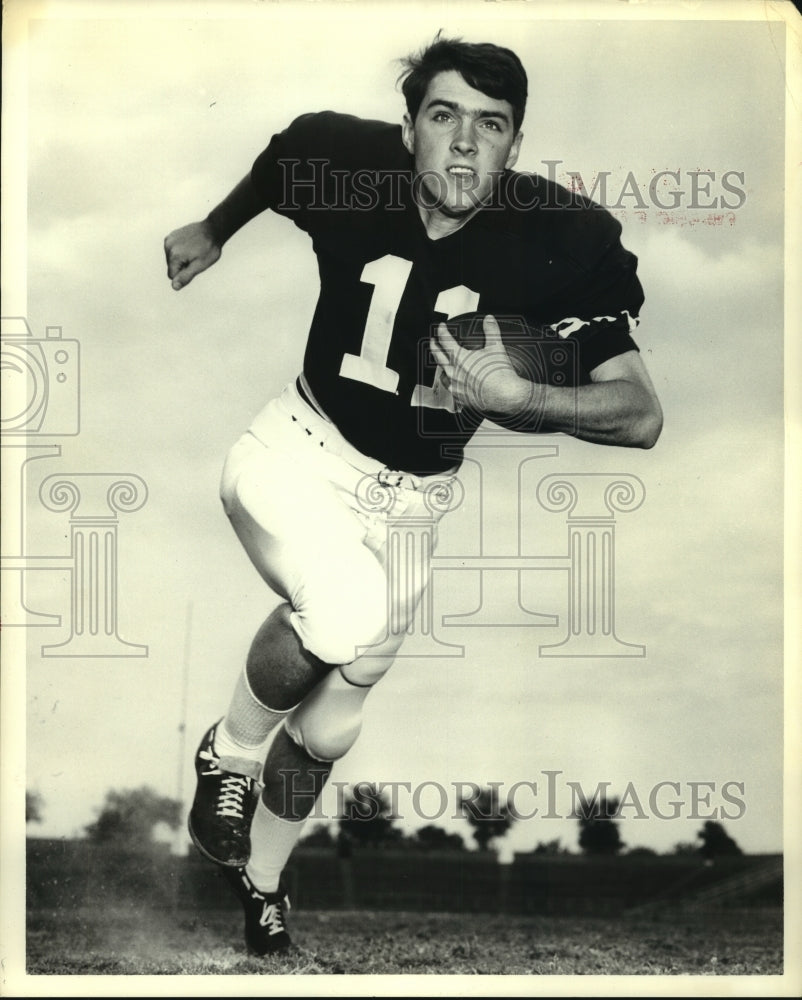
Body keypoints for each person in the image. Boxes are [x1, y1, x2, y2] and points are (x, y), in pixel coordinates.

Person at [163, 35, 662, 955]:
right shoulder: (348, 163)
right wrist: (213, 229)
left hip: (414, 509)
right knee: (343, 612)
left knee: (334, 725)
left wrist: (527, 399)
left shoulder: (563, 237)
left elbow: (641, 413)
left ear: (515, 145)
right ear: (407, 130)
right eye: (444, 117)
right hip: (298, 452)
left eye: (491, 124)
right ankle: (225, 756)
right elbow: (283, 157)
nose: (465, 143)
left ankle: (263, 887)